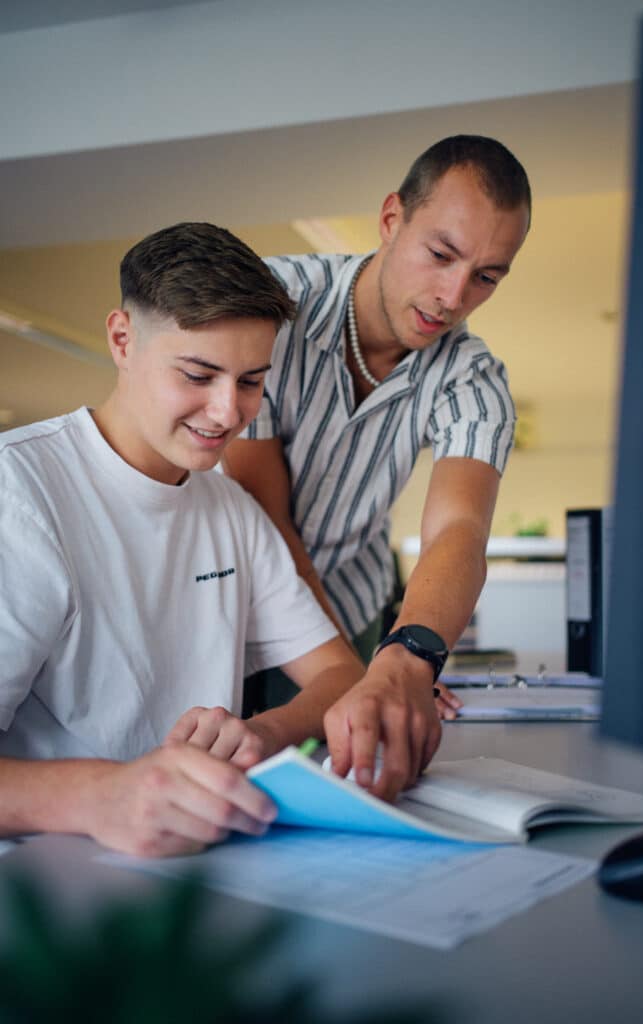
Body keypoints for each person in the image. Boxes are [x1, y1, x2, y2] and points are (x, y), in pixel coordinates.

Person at [0, 221, 377, 859]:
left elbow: (340, 674)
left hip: (195, 875)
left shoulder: (230, 508)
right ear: (122, 339)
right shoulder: (19, 493)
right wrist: (102, 794)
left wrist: (263, 734)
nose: (229, 413)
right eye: (199, 375)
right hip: (49, 886)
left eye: (251, 381)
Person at [223, 135, 531, 757]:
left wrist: (407, 658)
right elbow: (266, 516)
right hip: (232, 594)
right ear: (392, 218)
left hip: (355, 602)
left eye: (485, 277)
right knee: (225, 766)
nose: (454, 297)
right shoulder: (270, 304)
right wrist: (354, 671)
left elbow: (458, 532)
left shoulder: (473, 379)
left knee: (345, 780)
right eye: (441, 254)